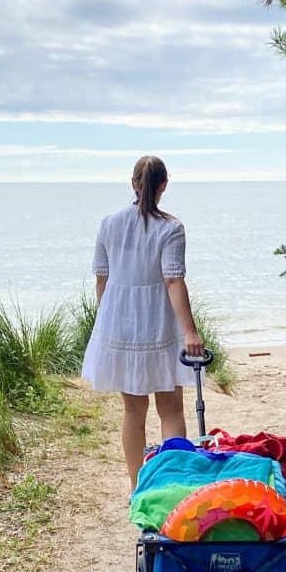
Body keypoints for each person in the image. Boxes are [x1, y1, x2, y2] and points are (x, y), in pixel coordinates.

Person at [81, 155, 204, 489]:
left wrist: (107, 324)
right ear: (163, 185)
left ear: (133, 184)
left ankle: (137, 489)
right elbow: (173, 281)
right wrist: (190, 331)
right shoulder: (171, 228)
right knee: (171, 410)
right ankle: (171, 486)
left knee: (134, 412)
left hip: (120, 323)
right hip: (159, 325)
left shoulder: (109, 223)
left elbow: (102, 280)